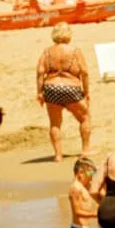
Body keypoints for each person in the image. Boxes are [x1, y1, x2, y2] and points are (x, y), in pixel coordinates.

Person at [37, 28, 93, 160]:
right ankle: (85, 151)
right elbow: (84, 72)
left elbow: (40, 72)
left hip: (51, 88)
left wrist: (39, 92)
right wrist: (86, 92)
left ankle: (58, 155)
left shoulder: (47, 51)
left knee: (55, 123)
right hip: (70, 87)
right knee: (85, 117)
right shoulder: (75, 51)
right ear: (68, 35)